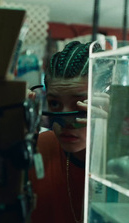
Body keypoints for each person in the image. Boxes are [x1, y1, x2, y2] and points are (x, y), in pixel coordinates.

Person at [28, 41, 110, 223]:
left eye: (80, 105)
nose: (65, 122)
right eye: (55, 104)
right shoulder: (38, 147)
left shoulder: (121, 161)